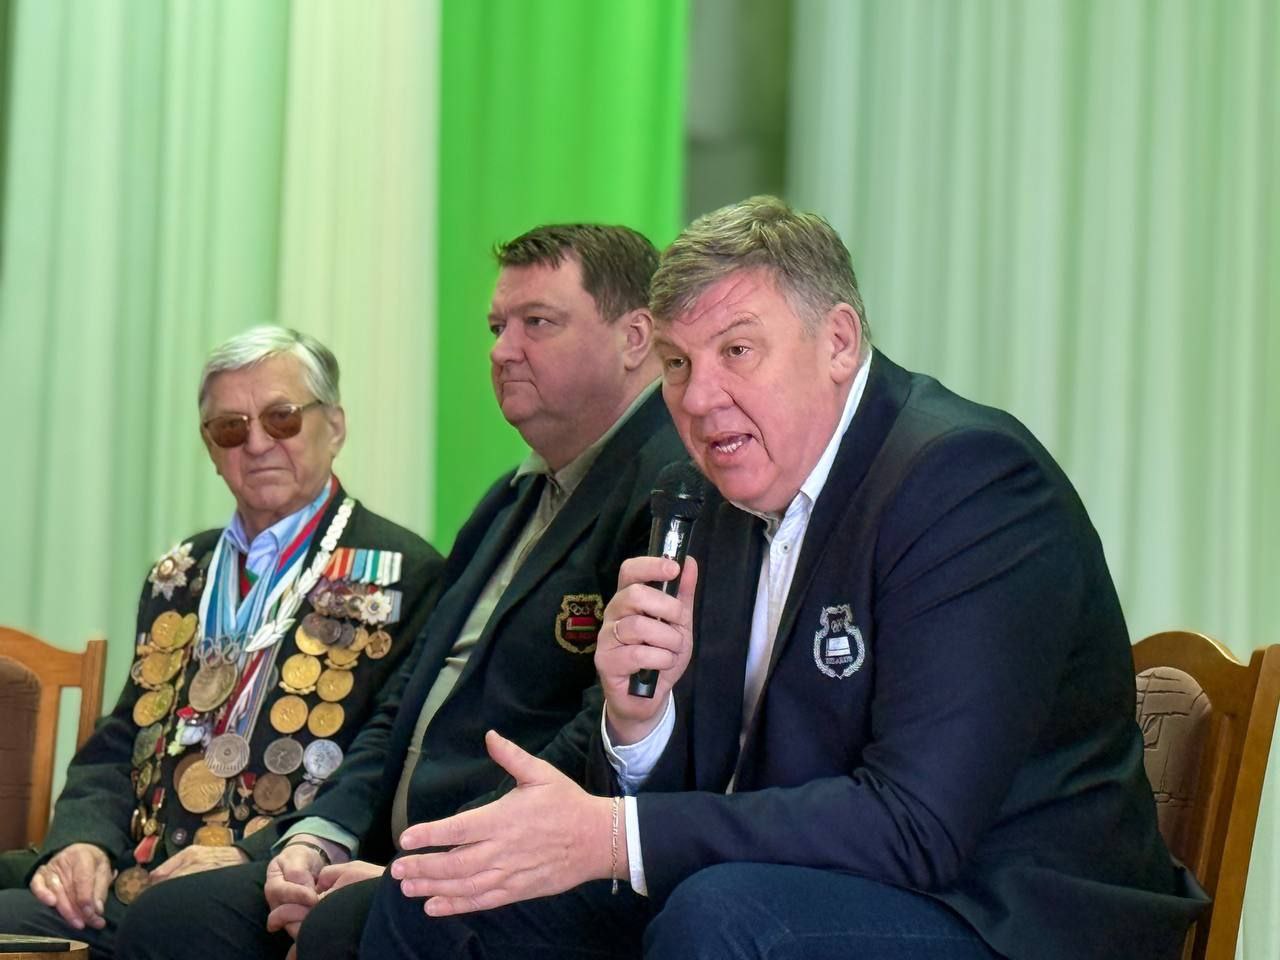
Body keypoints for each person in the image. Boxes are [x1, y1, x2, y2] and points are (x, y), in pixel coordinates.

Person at [358, 197, 1210, 960]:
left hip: (1000, 911)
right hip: (776, 883)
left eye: (737, 350)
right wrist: (638, 722)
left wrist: (617, 835)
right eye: (679, 364)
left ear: (838, 342)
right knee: (430, 902)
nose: (699, 399)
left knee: (722, 918)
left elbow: (917, 825)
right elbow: (712, 783)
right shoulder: (712, 497)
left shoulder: (968, 483)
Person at [113, 224, 685, 960]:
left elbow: (604, 732)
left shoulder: (667, 490)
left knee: (341, 929)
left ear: (635, 337)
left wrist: (417, 865)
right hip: (396, 848)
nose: (502, 351)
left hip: (514, 865)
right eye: (497, 327)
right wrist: (319, 836)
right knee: (174, 920)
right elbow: (404, 702)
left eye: (537, 323)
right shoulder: (510, 500)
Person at [0, 327, 444, 958]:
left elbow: (383, 764)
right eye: (231, 428)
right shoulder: (181, 571)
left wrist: (252, 854)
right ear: (210, 448)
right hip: (135, 877)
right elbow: (124, 736)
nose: (257, 443)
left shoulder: (403, 574)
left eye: (282, 418)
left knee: (176, 925)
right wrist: (82, 842)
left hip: (269, 884)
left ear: (335, 426)